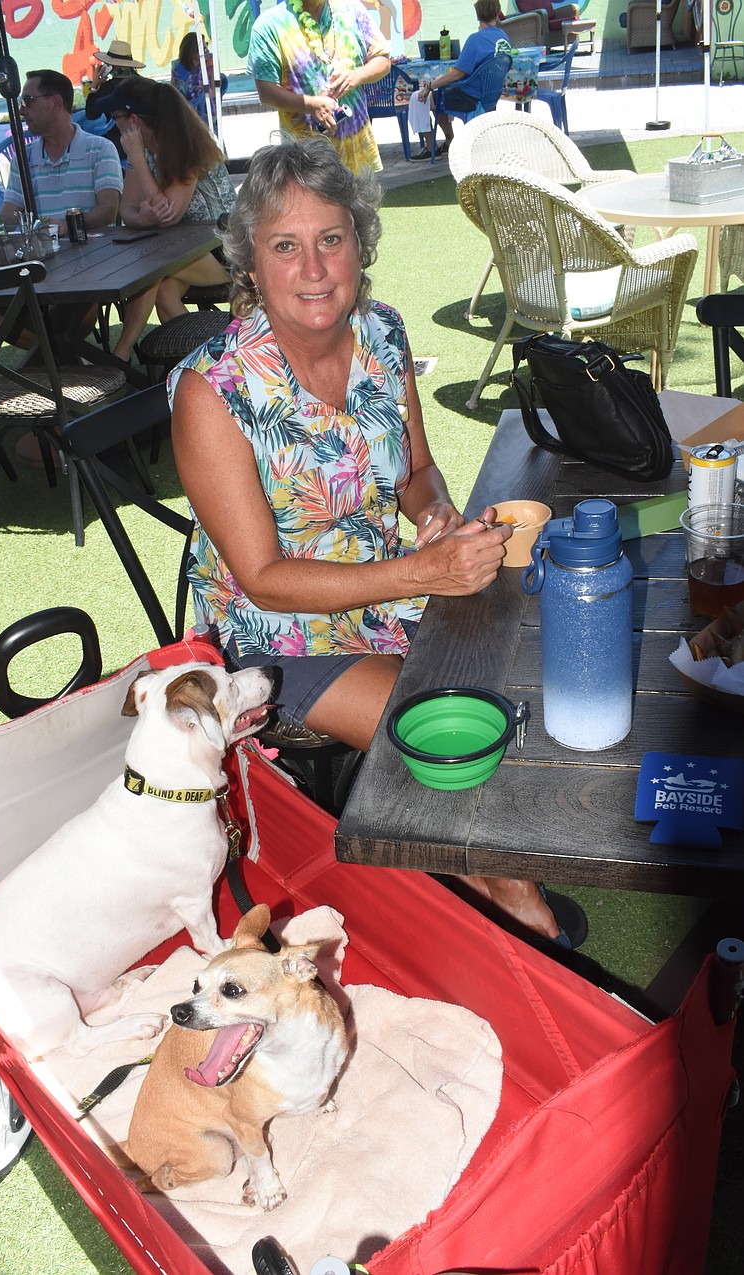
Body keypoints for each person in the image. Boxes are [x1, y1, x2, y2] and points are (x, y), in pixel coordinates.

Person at [168, 137, 583, 949]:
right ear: (250, 262)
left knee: (516, 666)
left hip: (390, 590)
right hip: (272, 639)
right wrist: (419, 570)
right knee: (457, 731)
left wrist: (437, 517)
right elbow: (263, 578)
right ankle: (511, 908)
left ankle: (479, 879)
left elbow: (417, 472)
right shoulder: (212, 391)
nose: (313, 267)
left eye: (331, 238)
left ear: (359, 243)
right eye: (285, 246)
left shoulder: (383, 336)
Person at [0, 68, 123, 351]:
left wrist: (66, 225)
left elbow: (107, 211)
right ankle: (63, 359)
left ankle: (54, 361)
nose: (22, 110)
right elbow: (10, 213)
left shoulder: (99, 149)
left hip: (90, 263)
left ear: (55, 103)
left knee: (77, 304)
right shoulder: (25, 156)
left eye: (28, 101)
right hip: (39, 265)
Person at [96, 77, 236, 365]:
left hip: (226, 248)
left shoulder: (185, 146)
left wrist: (137, 158)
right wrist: (143, 217)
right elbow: (127, 210)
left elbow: (168, 214)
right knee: (163, 293)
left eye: (116, 116)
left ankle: (120, 357)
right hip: (184, 248)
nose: (113, 124)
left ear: (134, 120)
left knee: (154, 265)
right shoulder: (142, 152)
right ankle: (212, 364)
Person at [247, 0, 391, 175]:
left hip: (357, 155)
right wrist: (310, 105)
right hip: (305, 162)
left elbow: (383, 60)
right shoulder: (269, 25)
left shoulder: (353, 9)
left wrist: (356, 76)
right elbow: (266, 91)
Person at [411, 0, 511, 160]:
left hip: (469, 98)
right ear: (498, 12)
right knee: (439, 94)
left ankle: (431, 148)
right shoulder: (503, 37)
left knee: (418, 98)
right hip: (489, 96)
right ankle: (449, 140)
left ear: (477, 14)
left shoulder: (475, 40)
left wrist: (429, 86)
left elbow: (457, 74)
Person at [84, 38, 144, 156]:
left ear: (110, 66)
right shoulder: (145, 83)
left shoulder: (108, 87)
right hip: (146, 139)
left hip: (118, 145)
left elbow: (91, 114)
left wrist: (94, 86)